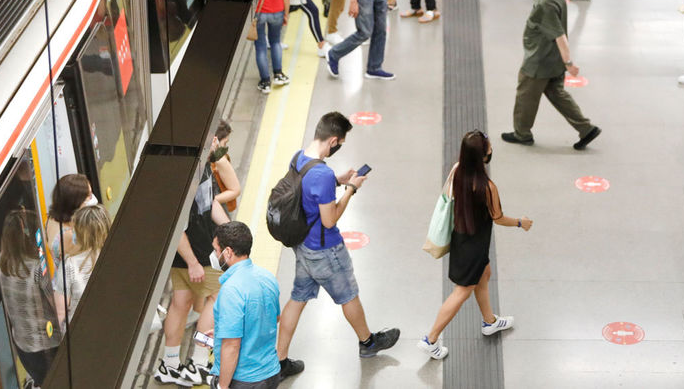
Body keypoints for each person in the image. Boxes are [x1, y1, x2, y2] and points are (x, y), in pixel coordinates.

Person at [276, 113, 400, 375]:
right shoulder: (322, 174)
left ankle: (280, 361)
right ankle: (368, 342)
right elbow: (329, 219)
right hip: (326, 250)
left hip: (303, 247)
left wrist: (338, 179)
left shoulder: (299, 158)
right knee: (349, 296)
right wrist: (351, 189)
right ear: (333, 141)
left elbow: (307, 188)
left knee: (297, 299)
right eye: (340, 142)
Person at [417, 131, 528, 360]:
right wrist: (520, 222)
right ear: (483, 156)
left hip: (461, 237)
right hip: (475, 245)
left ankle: (490, 322)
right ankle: (431, 339)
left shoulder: (457, 170)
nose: (491, 150)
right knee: (461, 292)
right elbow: (498, 217)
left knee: (484, 274)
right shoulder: (487, 187)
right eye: (488, 148)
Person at [502, 0, 602, 150]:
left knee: (525, 96)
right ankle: (586, 128)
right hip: (553, 60)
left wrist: (569, 63)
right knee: (557, 94)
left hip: (539, 61)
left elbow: (560, 36)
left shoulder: (545, 4)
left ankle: (522, 134)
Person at [155, 165, 230, 387]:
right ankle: (198, 362)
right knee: (218, 298)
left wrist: (230, 227)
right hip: (196, 253)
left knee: (180, 303)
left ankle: (170, 365)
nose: (216, 141)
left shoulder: (202, 164)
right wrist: (193, 262)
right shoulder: (182, 175)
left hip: (191, 252)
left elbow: (211, 201)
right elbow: (175, 223)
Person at [211, 221, 292, 388]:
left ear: (228, 252)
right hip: (270, 373)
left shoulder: (231, 289)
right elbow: (273, 317)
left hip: (244, 380)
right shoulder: (267, 277)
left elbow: (232, 346)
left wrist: (222, 386)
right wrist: (222, 330)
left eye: (216, 250)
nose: (214, 254)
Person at [0, 209, 61, 383]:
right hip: (47, 347)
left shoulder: (2, 261)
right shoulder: (37, 268)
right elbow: (56, 303)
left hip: (23, 347)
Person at [55, 203, 110, 327]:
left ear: (81, 234)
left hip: (81, 330)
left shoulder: (69, 265)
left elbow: (60, 312)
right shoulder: (116, 255)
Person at [253, 0, 292, 94]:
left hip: (258, 12)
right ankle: (278, 75)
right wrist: (286, 14)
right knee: (275, 42)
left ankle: (265, 82)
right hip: (277, 12)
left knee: (260, 47)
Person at [46, 173, 94, 259]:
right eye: (89, 195)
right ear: (76, 202)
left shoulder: (52, 218)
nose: (92, 198)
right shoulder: (68, 237)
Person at [210, 120, 243, 220]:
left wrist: (211, 201)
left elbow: (235, 190)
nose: (225, 147)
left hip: (218, 211)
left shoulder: (220, 159)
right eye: (225, 142)